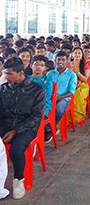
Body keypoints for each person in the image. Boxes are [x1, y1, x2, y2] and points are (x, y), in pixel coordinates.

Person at [0, 57, 45, 199]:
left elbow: (36, 116)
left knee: (17, 149)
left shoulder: (37, 89)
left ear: (20, 73)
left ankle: (19, 179)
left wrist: (15, 131)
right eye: (4, 73)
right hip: (5, 124)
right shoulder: (3, 88)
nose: (5, 76)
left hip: (26, 126)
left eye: (9, 74)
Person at [46, 51, 77, 141]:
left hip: (64, 98)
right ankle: (48, 128)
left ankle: (50, 128)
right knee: (41, 108)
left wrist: (58, 98)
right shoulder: (50, 74)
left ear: (66, 61)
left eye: (63, 60)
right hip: (50, 97)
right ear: (55, 60)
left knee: (59, 108)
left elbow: (71, 92)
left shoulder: (72, 75)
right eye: (58, 59)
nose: (60, 61)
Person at [70, 47, 90, 124]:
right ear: (72, 55)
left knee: (77, 95)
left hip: (81, 85)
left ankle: (75, 117)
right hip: (70, 84)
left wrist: (77, 72)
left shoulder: (85, 65)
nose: (77, 55)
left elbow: (85, 79)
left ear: (82, 56)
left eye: (79, 53)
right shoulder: (68, 64)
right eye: (75, 53)